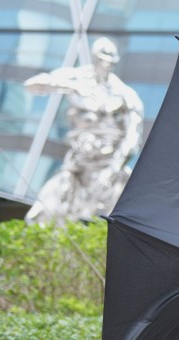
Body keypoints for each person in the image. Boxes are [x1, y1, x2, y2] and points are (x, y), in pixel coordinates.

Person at [24, 37, 143, 224]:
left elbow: (133, 137)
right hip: (77, 164)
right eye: (102, 60)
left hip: (107, 166)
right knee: (42, 215)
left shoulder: (124, 94)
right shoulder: (77, 79)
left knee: (116, 218)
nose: (106, 66)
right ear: (95, 59)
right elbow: (33, 85)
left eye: (110, 63)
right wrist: (71, 85)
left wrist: (114, 167)